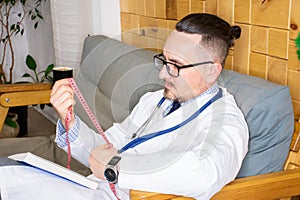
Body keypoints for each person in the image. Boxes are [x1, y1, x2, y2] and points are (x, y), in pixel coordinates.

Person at [0, 13, 248, 200]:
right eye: (163, 60)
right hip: (93, 188)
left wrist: (115, 169)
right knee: (8, 175)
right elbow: (107, 146)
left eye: (176, 64)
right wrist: (70, 121)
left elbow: (205, 173)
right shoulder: (155, 100)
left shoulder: (226, 121)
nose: (163, 73)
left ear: (211, 70)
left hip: (122, 195)